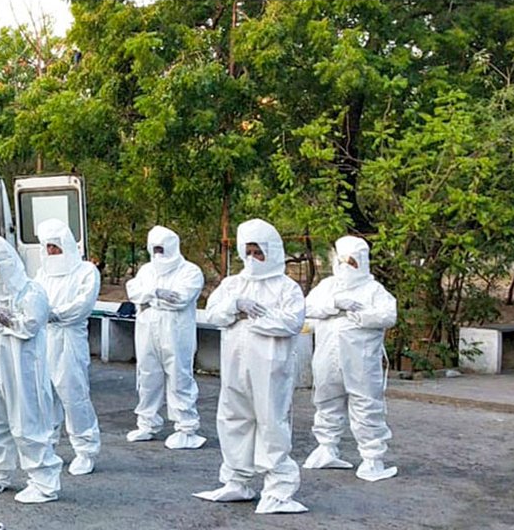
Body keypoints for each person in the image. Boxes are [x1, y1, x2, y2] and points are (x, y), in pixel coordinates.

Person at [194, 219, 308, 514]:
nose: (254, 259)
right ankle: (236, 479)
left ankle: (279, 488)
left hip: (271, 366)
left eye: (259, 252)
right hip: (235, 364)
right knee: (233, 417)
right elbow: (214, 314)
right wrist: (236, 307)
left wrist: (255, 319)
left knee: (272, 421)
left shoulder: (286, 287)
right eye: (249, 252)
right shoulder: (233, 284)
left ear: (272, 251)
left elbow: (292, 322)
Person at [0, 235, 63, 502]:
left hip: (22, 363)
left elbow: (30, 324)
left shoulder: (31, 291)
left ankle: (44, 481)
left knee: (28, 418)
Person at [303, 236, 399, 482]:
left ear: (362, 262)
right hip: (327, 358)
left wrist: (360, 316)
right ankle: (326, 447)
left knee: (366, 406)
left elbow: (388, 315)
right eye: (342, 260)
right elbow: (305, 308)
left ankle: (372, 458)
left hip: (361, 361)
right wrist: (335, 304)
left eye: (352, 261)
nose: (346, 267)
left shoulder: (373, 290)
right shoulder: (327, 287)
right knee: (325, 401)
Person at [124, 225, 206, 449]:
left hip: (176, 331)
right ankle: (147, 423)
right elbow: (133, 292)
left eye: (162, 248)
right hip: (147, 329)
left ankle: (186, 427)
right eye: (155, 249)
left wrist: (149, 297)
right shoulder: (146, 270)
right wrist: (155, 294)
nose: (159, 254)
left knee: (179, 376)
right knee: (148, 376)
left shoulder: (189, 271)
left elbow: (180, 299)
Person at [34, 218, 101, 475]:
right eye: (48, 247)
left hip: (69, 338)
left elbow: (81, 306)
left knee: (74, 395)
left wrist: (54, 313)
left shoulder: (85, 271)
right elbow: (35, 297)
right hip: (44, 338)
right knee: (44, 395)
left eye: (55, 246)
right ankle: (48, 444)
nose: (51, 252)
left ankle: (85, 449)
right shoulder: (43, 273)